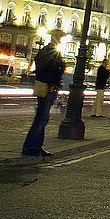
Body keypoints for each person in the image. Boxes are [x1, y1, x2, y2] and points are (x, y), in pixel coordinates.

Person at [22, 29, 66, 157]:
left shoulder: (50, 51)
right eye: (59, 36)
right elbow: (48, 69)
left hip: (48, 86)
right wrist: (51, 83)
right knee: (41, 118)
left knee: (43, 118)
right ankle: (30, 147)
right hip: (47, 87)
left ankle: (37, 146)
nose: (61, 38)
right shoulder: (50, 51)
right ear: (54, 37)